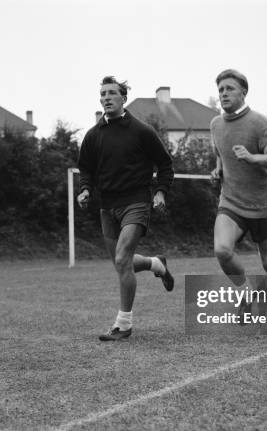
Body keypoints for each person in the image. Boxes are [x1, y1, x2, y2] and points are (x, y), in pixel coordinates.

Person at [77, 76, 175, 341]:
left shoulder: (141, 131)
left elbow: (165, 164)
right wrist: (85, 189)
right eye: (102, 94)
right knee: (123, 263)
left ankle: (124, 324)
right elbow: (85, 168)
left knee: (122, 260)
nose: (106, 97)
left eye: (111, 93)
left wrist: (160, 193)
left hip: (136, 202)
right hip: (107, 207)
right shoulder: (93, 135)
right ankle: (157, 264)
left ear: (123, 98)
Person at [209, 69, 267, 333]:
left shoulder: (258, 122)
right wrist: (218, 169)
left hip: (262, 205)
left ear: (243, 92)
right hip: (231, 201)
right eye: (221, 89)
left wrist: (253, 158)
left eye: (230, 88)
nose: (224, 93)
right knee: (222, 250)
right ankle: (245, 292)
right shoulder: (215, 125)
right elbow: (221, 153)